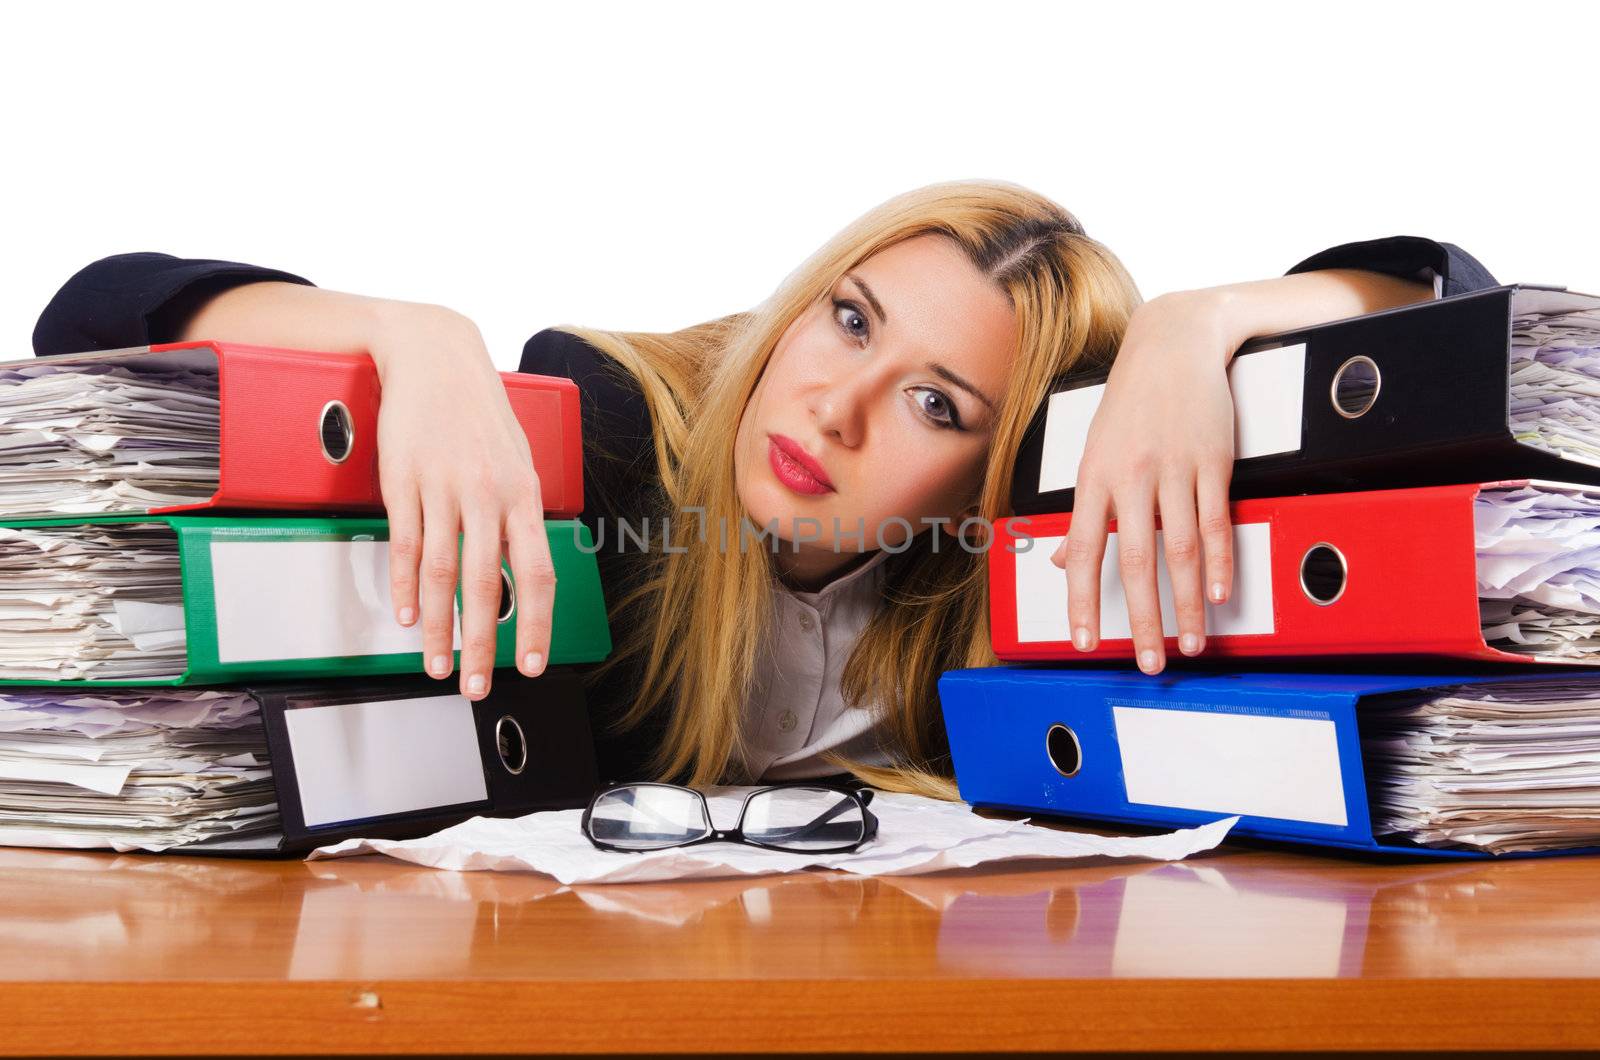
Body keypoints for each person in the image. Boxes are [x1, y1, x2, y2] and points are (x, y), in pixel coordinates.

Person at [32, 183, 1495, 792]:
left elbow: (1453, 306)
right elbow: (90, 311)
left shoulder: (1007, 593)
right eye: (849, 319)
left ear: (999, 479)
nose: (835, 409)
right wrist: (418, 339)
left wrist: (1195, 331)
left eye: (935, 404)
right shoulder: (603, 429)